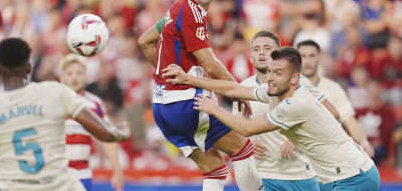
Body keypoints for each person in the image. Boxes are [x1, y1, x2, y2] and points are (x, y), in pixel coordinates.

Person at [163, 47, 381, 191]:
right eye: (269, 71)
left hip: (354, 177)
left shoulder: (296, 104)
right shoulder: (275, 91)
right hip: (337, 175)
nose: (269, 77)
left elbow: (248, 129)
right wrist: (189, 79)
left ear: (295, 78)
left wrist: (215, 109)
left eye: (277, 73)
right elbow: (234, 88)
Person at [138, 0, 262, 191]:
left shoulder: (175, 8)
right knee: (244, 149)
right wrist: (238, 92)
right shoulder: (192, 12)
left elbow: (144, 41)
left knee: (215, 168)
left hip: (161, 108)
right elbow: (211, 64)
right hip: (185, 104)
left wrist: (165, 75)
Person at [0, 38, 130, 191]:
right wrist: (121, 131)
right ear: (29, 68)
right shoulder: (53, 92)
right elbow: (106, 134)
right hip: (59, 185)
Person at [232, 31, 319, 191]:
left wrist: (296, 140)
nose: (262, 53)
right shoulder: (243, 88)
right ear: (251, 57)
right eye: (257, 49)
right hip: (263, 173)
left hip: (299, 170)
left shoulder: (297, 83)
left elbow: (326, 116)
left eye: (267, 48)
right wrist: (247, 142)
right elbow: (235, 127)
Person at [296, 40, 375, 190]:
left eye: (312, 56)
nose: (307, 61)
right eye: (303, 56)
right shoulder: (285, 88)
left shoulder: (333, 89)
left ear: (320, 58)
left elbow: (350, 122)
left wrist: (363, 140)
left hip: (326, 169)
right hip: (295, 167)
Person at [59, 54, 124, 191]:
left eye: (79, 73)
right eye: (69, 73)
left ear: (86, 77)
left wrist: (116, 170)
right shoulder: (54, 102)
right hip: (56, 174)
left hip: (82, 174)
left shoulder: (95, 104)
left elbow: (108, 137)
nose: (74, 77)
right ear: (62, 79)